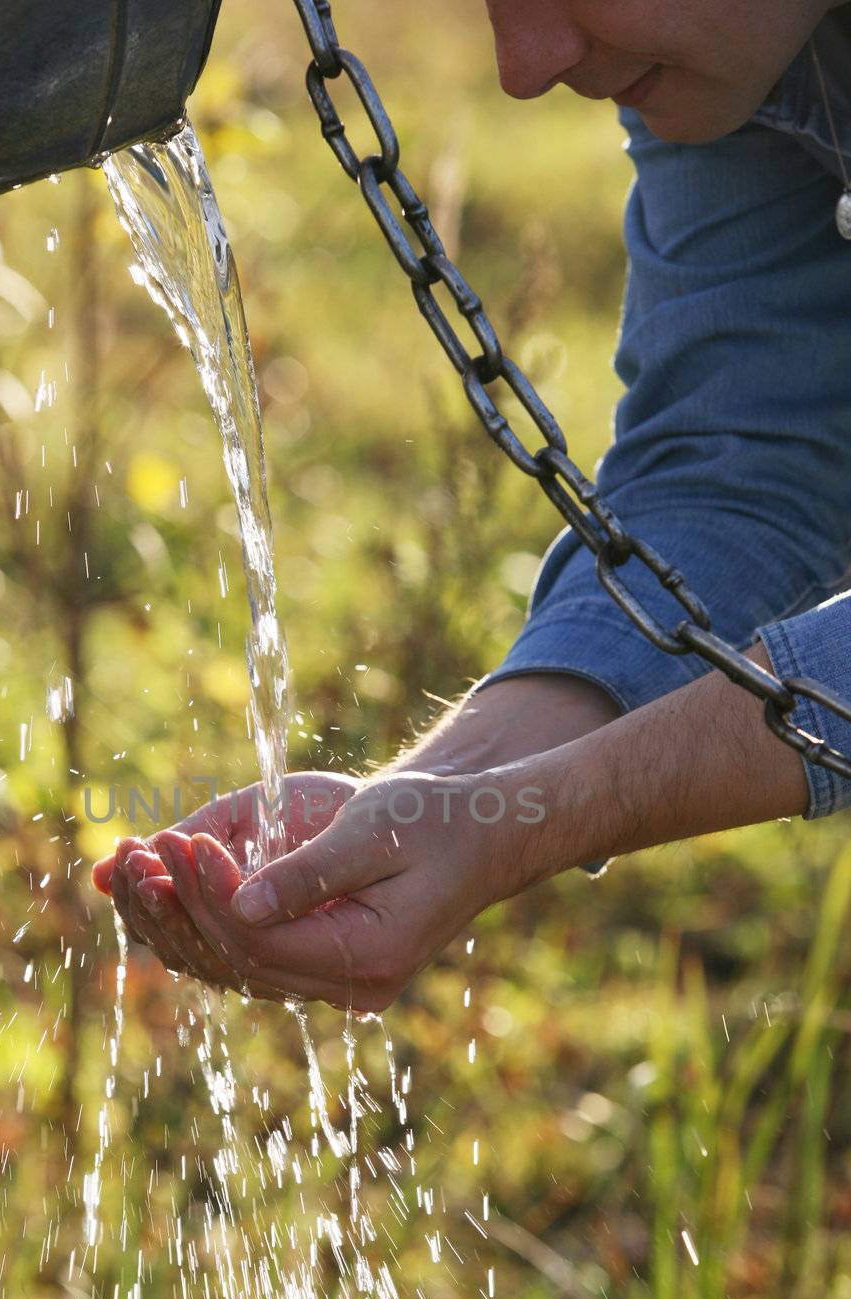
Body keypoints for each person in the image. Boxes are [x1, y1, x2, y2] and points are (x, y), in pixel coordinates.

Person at [93, 0, 851, 1013]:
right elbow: (749, 462)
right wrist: (453, 788)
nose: (524, 67)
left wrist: (534, 816)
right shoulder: (741, 45)